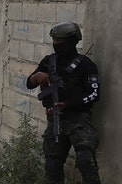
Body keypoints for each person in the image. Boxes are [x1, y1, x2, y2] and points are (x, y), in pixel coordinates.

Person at [26, 22, 101, 184]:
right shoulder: (48, 62)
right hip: (56, 120)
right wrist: (36, 76)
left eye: (59, 41)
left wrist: (67, 104)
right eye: (54, 40)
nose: (56, 44)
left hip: (79, 119)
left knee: (85, 159)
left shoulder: (86, 65)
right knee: (52, 164)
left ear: (72, 41)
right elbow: (29, 83)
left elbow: (94, 94)